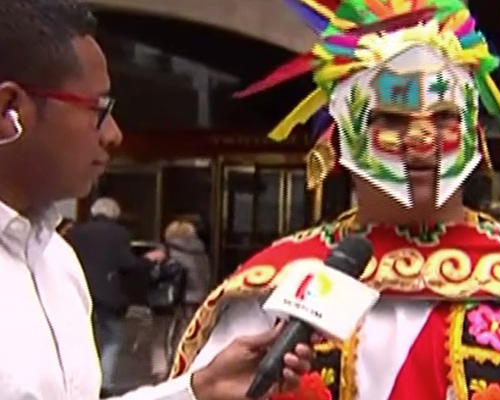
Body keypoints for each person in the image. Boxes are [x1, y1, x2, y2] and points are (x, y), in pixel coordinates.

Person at [169, 1, 500, 399]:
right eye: (392, 120)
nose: (423, 140)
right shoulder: (279, 283)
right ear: (339, 139)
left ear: (474, 131)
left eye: (445, 118)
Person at [0, 1, 313, 399]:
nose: (113, 135)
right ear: (10, 109)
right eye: (98, 109)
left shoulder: (55, 261)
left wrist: (201, 389)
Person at [66, 197, 157, 392]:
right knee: (112, 339)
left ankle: (82, 383)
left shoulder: (76, 232)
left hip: (79, 291)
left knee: (84, 338)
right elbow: (126, 263)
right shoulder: (119, 233)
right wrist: (147, 261)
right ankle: (103, 385)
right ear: (115, 214)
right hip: (107, 293)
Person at [150, 219, 212, 382]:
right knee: (184, 335)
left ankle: (160, 368)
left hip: (168, 298)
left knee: (160, 334)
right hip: (194, 299)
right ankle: (180, 366)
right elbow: (205, 277)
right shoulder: (201, 252)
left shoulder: (166, 251)